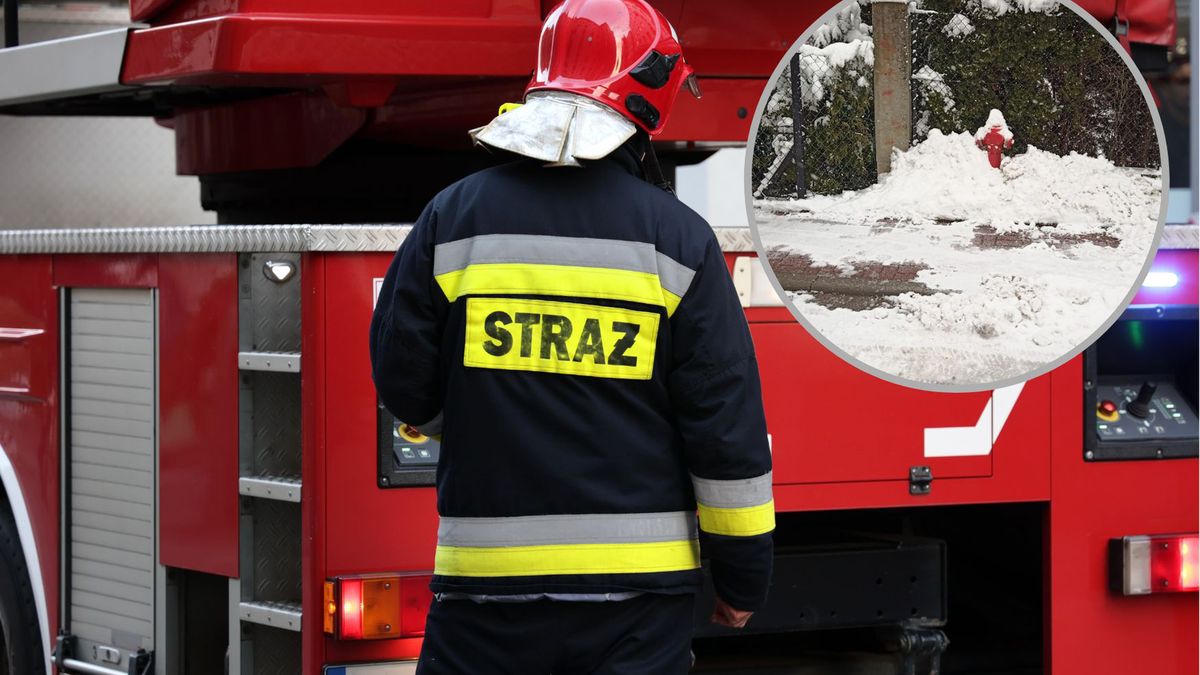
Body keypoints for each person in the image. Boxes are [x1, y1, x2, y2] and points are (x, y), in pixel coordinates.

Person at [370, 1, 774, 671]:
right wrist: (742, 580)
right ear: (647, 97)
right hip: (637, 610)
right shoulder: (678, 241)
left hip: (483, 600)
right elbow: (723, 433)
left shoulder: (452, 219)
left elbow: (405, 387)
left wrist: (489, 405)